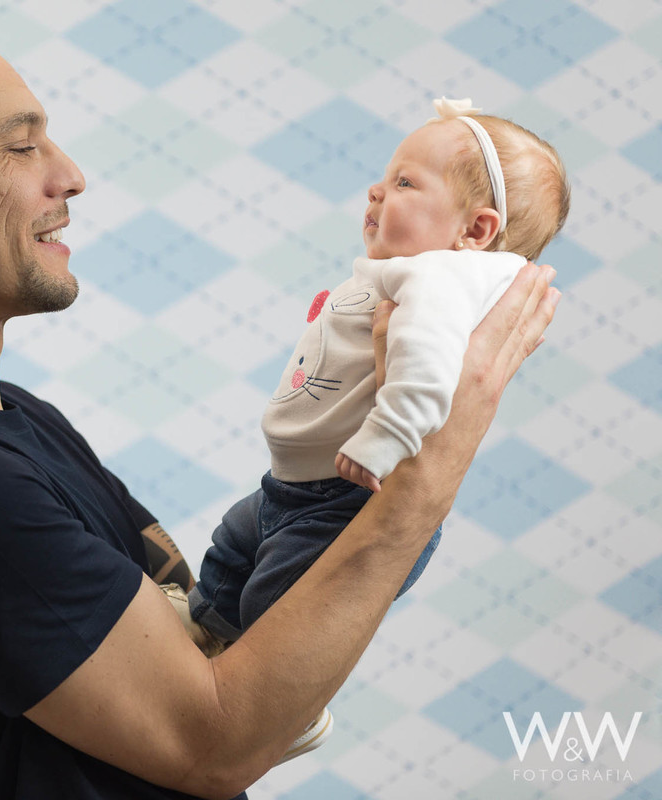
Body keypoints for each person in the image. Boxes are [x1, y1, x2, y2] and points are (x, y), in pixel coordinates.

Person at [0, 27, 560, 799]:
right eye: (21, 149)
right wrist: (429, 469)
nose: (71, 175)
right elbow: (216, 742)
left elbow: (198, 641)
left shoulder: (9, 421)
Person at [185, 101, 571, 662]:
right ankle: (207, 631)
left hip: (342, 498)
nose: (375, 190)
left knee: (286, 608)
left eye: (405, 182)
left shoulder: (440, 281)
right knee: (233, 549)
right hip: (293, 485)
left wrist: (386, 435)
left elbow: (429, 368)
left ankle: (283, 699)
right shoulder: (406, 273)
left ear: (475, 230)